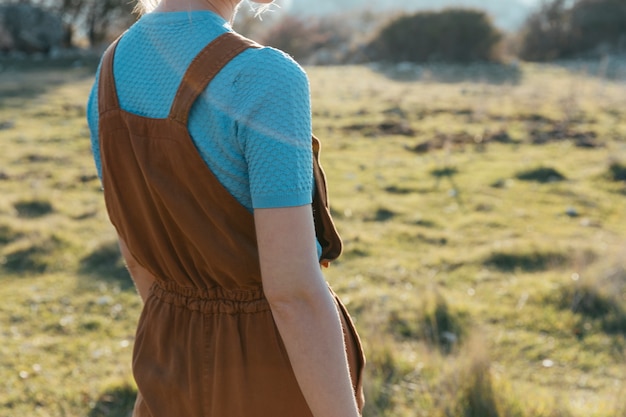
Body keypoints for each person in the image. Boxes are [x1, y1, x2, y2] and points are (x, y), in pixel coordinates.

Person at [86, 0, 365, 416]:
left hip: (166, 362)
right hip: (271, 375)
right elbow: (293, 294)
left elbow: (136, 253)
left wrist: (187, 317)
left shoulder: (111, 68)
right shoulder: (268, 77)